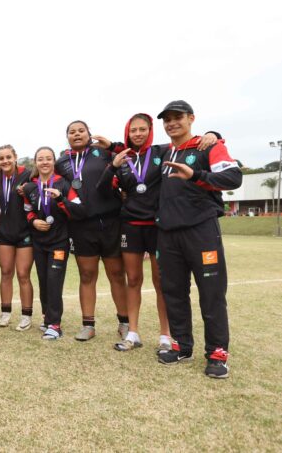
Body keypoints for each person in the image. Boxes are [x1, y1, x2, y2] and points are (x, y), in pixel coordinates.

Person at [95, 116, 219, 351]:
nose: (138, 133)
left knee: (162, 282)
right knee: (133, 280)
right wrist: (113, 164)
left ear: (150, 131)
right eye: (133, 130)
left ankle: (165, 335)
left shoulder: (162, 152)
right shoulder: (123, 159)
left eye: (143, 129)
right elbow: (101, 190)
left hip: (157, 226)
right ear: (127, 133)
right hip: (130, 226)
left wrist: (213, 134)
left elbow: (187, 144)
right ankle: (133, 333)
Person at [154, 100, 241, 379]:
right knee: (174, 292)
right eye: (167, 119)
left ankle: (217, 352)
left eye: (177, 117)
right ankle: (182, 346)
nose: (171, 123)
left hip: (201, 230)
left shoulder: (208, 146)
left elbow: (232, 176)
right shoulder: (166, 152)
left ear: (191, 118)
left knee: (211, 293)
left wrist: (197, 175)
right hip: (168, 234)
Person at [55, 120, 128, 342]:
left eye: (81, 131)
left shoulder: (102, 153)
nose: (76, 134)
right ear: (67, 137)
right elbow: (43, 175)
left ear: (89, 134)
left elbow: (130, 154)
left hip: (110, 221)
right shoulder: (62, 162)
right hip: (81, 225)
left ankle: (124, 322)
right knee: (87, 275)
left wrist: (113, 146)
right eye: (71, 132)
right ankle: (88, 324)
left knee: (116, 274)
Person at [23, 146, 84, 340]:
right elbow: (27, 210)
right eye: (40, 159)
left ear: (53, 162)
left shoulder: (63, 184)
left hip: (59, 242)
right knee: (43, 279)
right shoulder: (30, 187)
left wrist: (60, 199)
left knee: (54, 280)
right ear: (35, 162)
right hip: (39, 243)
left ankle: (55, 325)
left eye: (48, 158)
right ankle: (46, 317)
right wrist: (33, 221)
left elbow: (77, 209)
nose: (44, 162)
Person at [0, 145, 33, 330]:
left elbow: (38, 189)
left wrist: (30, 189)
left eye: (8, 157)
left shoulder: (27, 175)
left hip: (24, 232)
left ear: (15, 156)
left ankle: (26, 315)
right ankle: (6, 312)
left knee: (23, 274)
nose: (5, 161)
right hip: (5, 233)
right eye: (1, 158)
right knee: (5, 273)